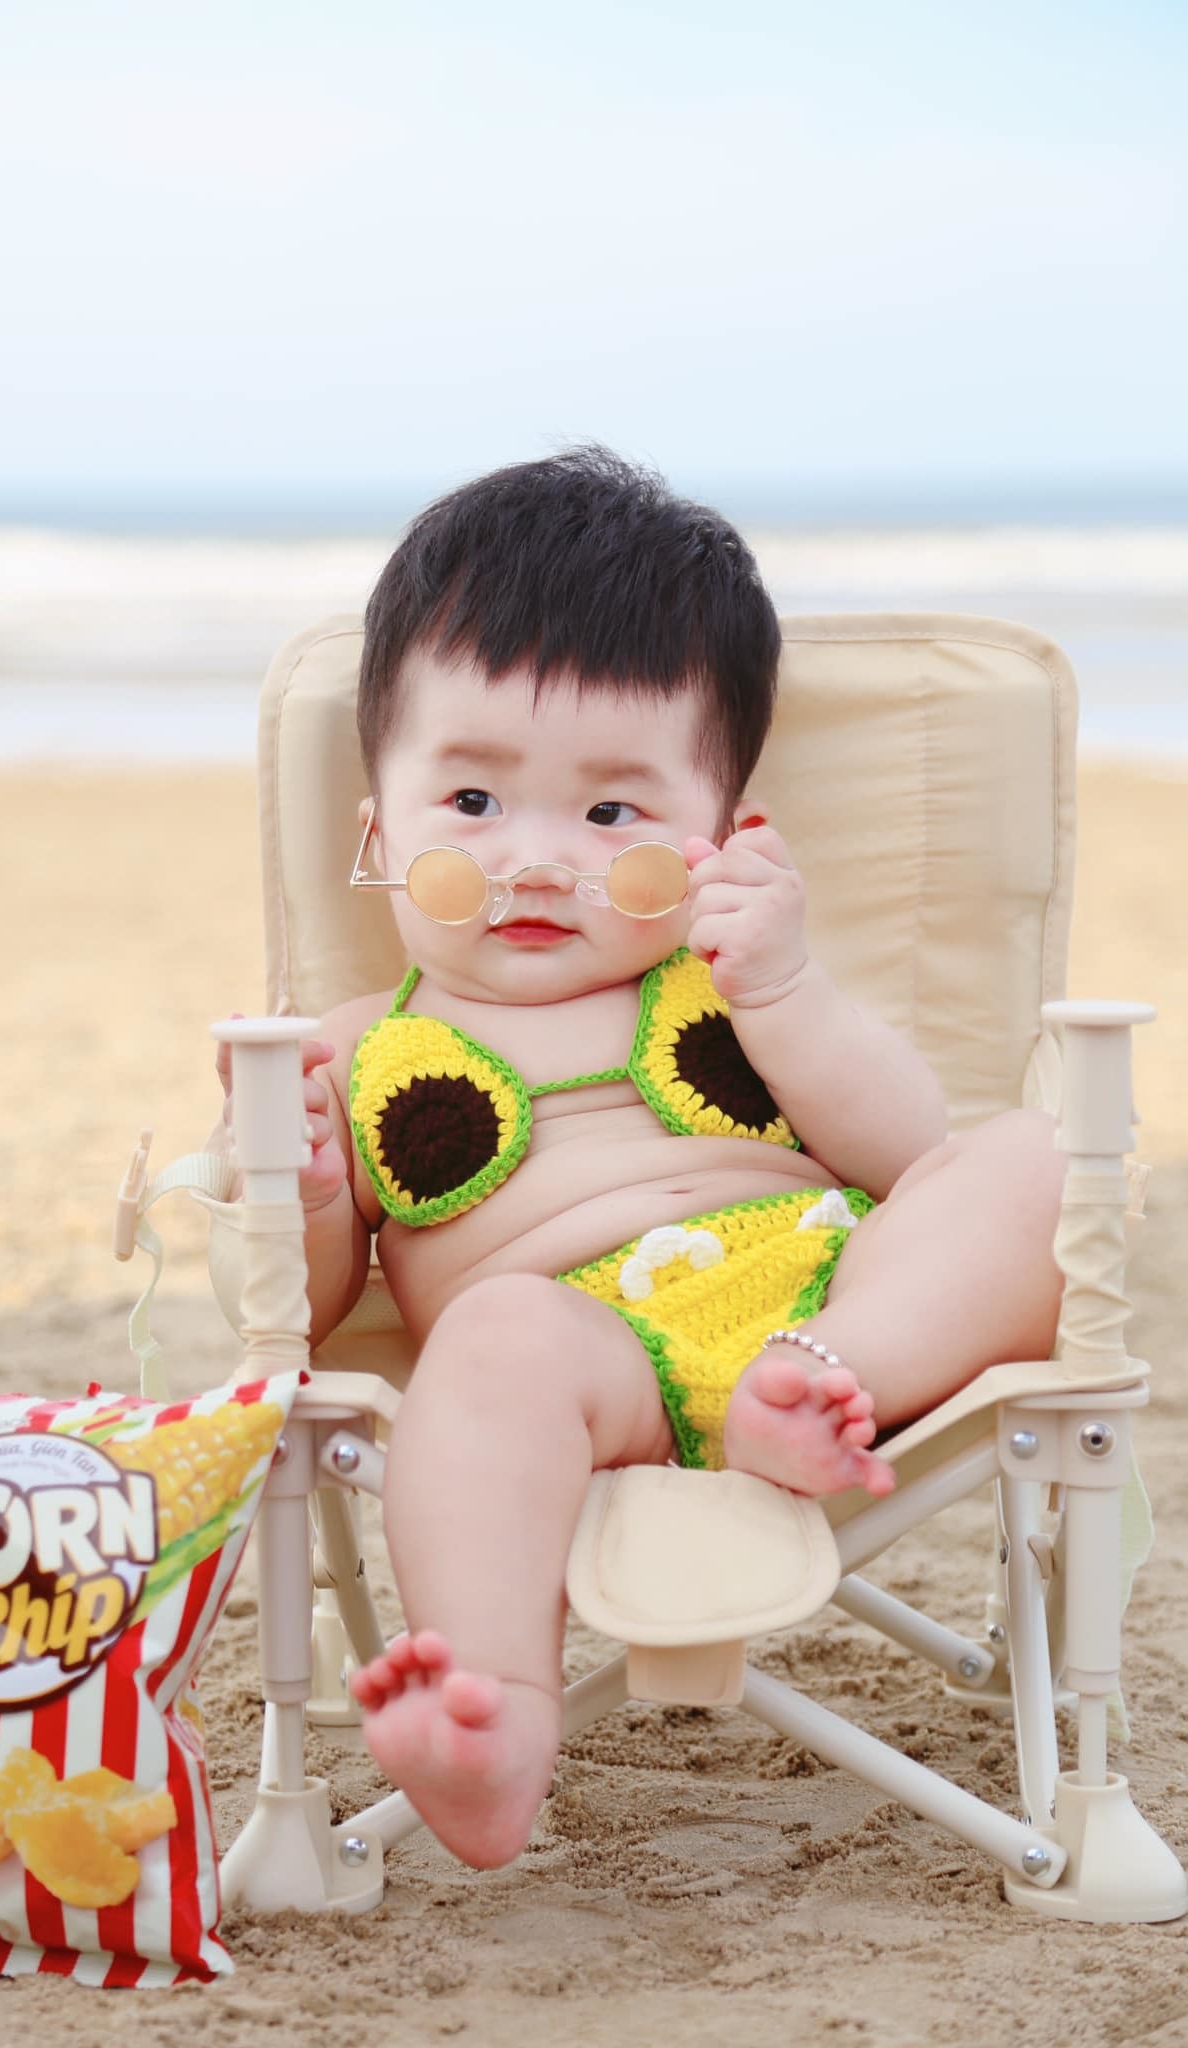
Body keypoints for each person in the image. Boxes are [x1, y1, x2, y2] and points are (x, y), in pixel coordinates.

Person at [216, 446, 1067, 1872]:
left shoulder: (737, 982)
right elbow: (301, 1310)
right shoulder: (356, 1046)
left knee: (1035, 1161)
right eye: (472, 806)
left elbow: (908, 1154)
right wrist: (299, 1183)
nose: (537, 862)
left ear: (717, 840)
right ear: (378, 838)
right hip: (581, 1354)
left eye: (611, 814)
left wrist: (789, 992)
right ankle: (492, 1722)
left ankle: (811, 1388)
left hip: (828, 1298)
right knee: (488, 1341)